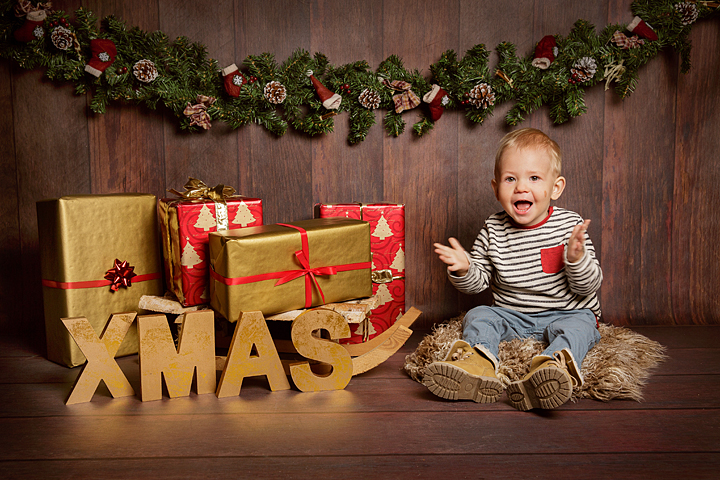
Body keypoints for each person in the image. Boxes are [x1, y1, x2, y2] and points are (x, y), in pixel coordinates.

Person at [426, 128, 602, 411]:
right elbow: (479, 283)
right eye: (511, 179)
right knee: (479, 314)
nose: (521, 187)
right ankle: (478, 362)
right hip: (514, 315)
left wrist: (576, 260)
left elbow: (587, 287)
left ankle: (551, 368)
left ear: (555, 188)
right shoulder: (493, 229)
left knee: (582, 326)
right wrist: (464, 268)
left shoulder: (570, 225)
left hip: (566, 312)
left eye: (534, 178)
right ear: (496, 188)